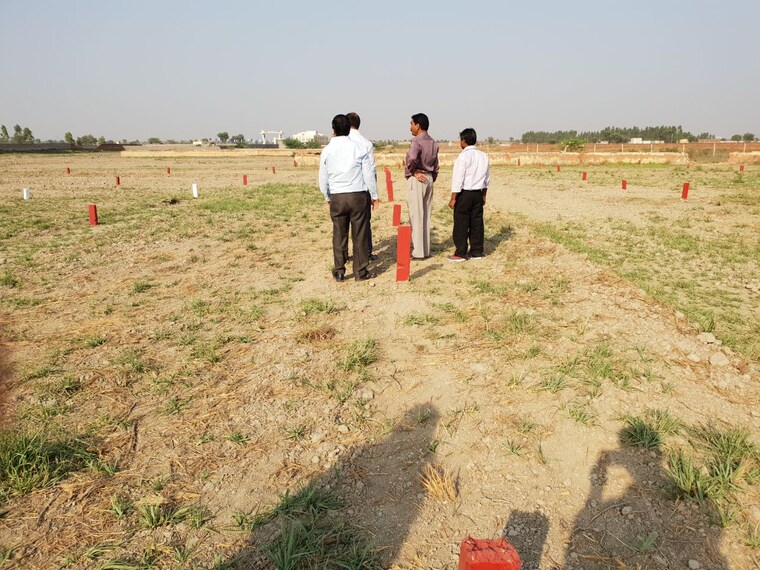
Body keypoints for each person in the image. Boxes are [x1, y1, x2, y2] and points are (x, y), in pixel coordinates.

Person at [319, 114, 379, 282]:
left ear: (333, 130)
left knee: (339, 234)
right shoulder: (359, 148)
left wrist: (327, 196)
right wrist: (374, 195)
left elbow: (323, 178)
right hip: (358, 195)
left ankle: (339, 271)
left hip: (337, 196)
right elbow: (368, 174)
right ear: (349, 129)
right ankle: (360, 272)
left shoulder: (327, 150)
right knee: (359, 234)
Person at [448, 127, 490, 261]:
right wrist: (483, 196)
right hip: (478, 193)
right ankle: (477, 252)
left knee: (461, 223)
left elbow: (458, 179)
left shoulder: (463, 157)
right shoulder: (484, 156)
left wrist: (453, 198)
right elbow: (487, 179)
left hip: (464, 194)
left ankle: (460, 253)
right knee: (477, 223)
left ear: (464, 140)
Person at [405, 113, 439, 259]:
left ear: (417, 126)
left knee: (416, 215)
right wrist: (431, 177)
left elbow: (412, 158)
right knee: (426, 215)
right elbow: (436, 165)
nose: (410, 127)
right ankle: (426, 250)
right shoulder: (433, 142)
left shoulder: (416, 141)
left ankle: (418, 252)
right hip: (429, 178)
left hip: (418, 179)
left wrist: (413, 171)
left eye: (411, 124)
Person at [346, 112, 378, 261]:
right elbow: (371, 171)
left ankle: (343, 256)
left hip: (341, 190)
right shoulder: (366, 143)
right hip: (361, 190)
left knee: (343, 226)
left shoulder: (337, 143)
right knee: (363, 223)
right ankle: (367, 252)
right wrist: (374, 194)